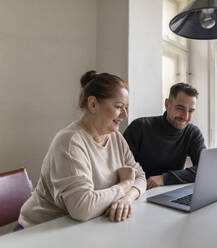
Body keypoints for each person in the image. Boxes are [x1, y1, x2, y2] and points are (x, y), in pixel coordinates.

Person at [17, 71, 146, 229]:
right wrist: (125, 184)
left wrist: (127, 199)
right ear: (92, 104)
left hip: (83, 227)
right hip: (40, 231)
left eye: (125, 107)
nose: (125, 114)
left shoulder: (115, 137)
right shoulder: (70, 142)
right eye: (118, 106)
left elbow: (140, 177)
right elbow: (83, 208)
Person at [123, 83, 206, 189]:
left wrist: (164, 179)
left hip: (171, 191)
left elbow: (204, 169)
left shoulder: (192, 133)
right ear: (167, 104)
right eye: (180, 108)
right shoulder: (139, 127)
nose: (185, 116)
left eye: (190, 111)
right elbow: (121, 167)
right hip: (138, 192)